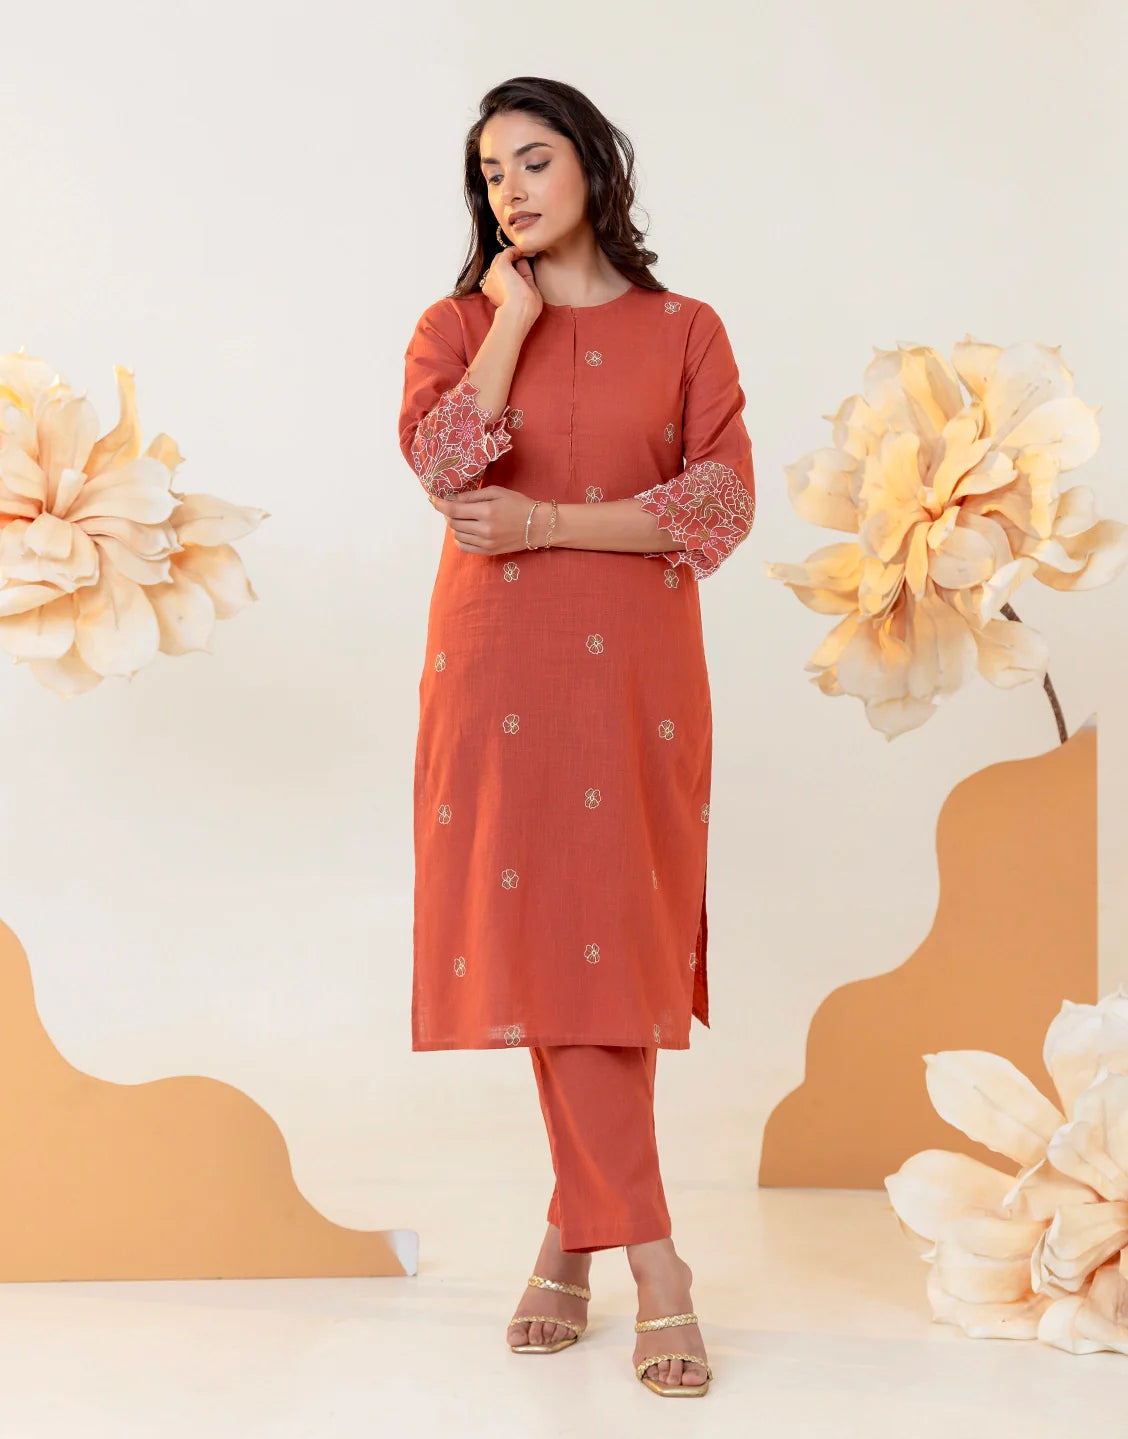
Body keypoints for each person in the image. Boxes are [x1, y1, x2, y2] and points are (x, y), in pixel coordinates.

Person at [397, 76, 755, 1398]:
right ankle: (654, 1263)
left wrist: (548, 524)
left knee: (612, 941)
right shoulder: (457, 325)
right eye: (492, 173)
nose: (513, 190)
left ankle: (569, 1238)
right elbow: (446, 468)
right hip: (498, 668)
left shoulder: (685, 329)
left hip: (637, 678)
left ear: (595, 166)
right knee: (552, 942)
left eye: (535, 160)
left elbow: (718, 506)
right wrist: (511, 320)